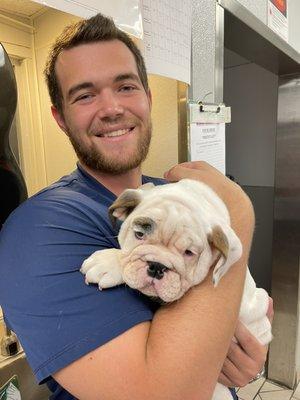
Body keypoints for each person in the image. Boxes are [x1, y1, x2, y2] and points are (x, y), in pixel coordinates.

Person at [0, 13, 272, 400]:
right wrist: (237, 212)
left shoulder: (172, 195)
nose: (111, 108)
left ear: (148, 97)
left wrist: (250, 345)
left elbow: (241, 305)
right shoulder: (38, 231)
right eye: (85, 94)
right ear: (60, 118)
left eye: (125, 86)